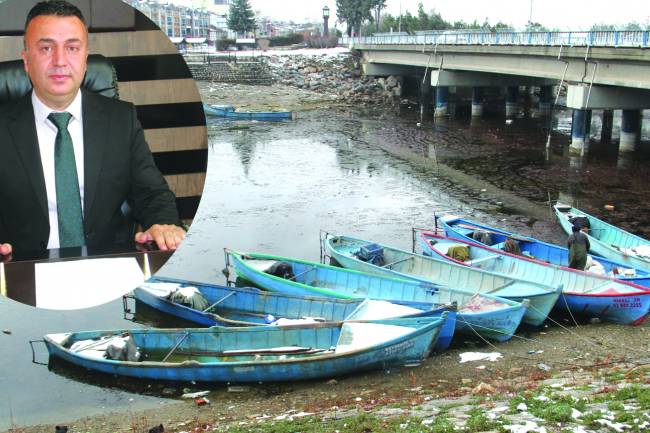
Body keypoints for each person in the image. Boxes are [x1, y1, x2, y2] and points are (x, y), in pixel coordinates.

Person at [0, 0, 185, 257]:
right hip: (21, 267)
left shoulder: (121, 119)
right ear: (26, 60)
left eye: (72, 48)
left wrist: (164, 226)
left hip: (106, 260)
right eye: (45, 48)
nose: (60, 61)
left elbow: (152, 193)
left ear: (85, 59)